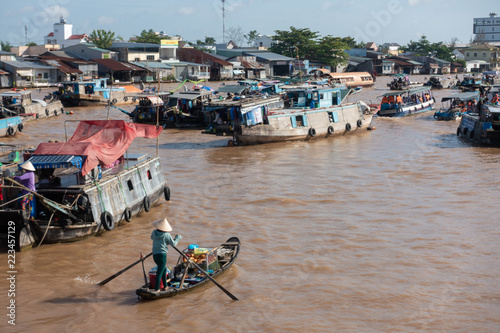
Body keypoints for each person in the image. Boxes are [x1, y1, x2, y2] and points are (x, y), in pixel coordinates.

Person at [151, 218, 182, 292]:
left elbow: (152, 238)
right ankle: (157, 289)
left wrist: (164, 242)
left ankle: (165, 286)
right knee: (159, 271)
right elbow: (174, 244)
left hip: (155, 255)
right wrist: (177, 238)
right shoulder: (167, 235)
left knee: (163, 269)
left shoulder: (154, 232)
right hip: (162, 255)